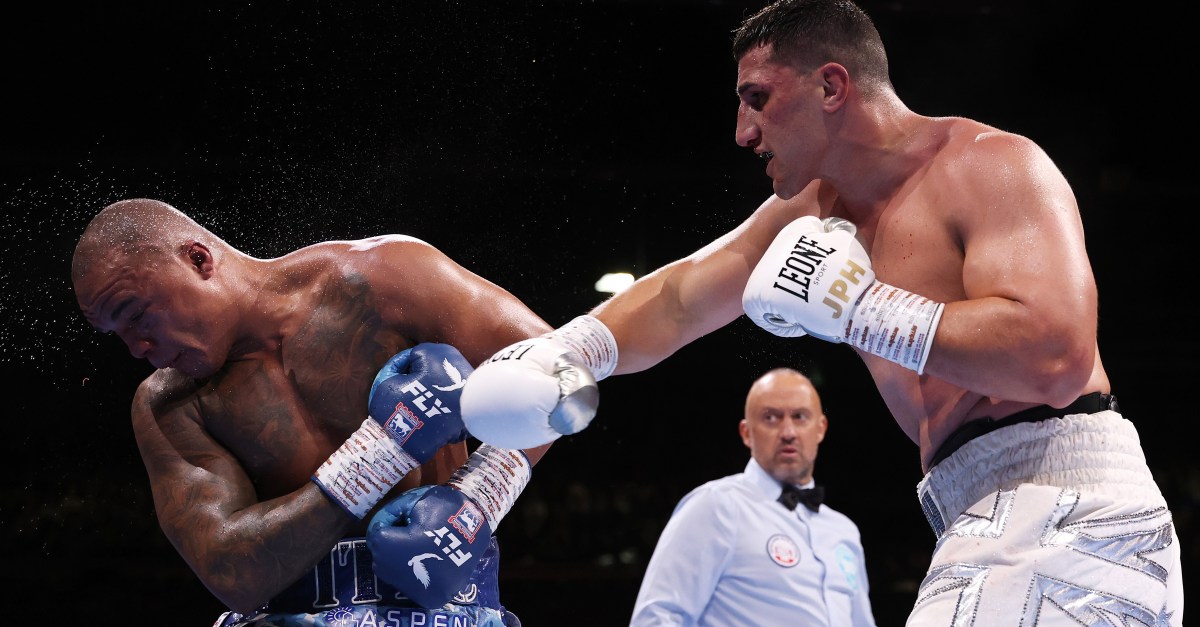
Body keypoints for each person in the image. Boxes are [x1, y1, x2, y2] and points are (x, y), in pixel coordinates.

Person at [458, 1, 1184, 624]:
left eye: (758, 98)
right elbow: (681, 298)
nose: (743, 131)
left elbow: (1054, 357)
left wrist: (861, 309)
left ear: (832, 85)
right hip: (975, 507)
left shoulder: (989, 165)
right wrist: (571, 350)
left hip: (1064, 500)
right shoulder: (812, 212)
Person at [70, 198, 555, 626]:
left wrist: (478, 499)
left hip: (449, 613)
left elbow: (557, 371)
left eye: (136, 314)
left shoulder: (379, 278)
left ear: (198, 259)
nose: (136, 348)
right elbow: (231, 573)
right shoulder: (169, 405)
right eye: (118, 334)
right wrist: (382, 453)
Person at [631, 368, 875, 626]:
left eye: (800, 417)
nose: (788, 432)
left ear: (820, 429)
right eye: (771, 418)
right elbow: (655, 617)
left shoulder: (844, 531)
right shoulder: (718, 505)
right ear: (746, 432)